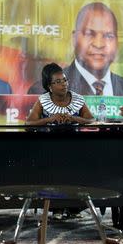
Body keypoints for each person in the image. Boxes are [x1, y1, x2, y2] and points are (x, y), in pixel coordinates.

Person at [28, 2, 123, 98]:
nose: (99, 44)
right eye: (89, 34)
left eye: (108, 36)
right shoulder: (44, 91)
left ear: (117, 42)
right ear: (74, 38)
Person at [26, 63, 93, 219]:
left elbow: (92, 120)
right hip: (49, 148)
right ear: (49, 86)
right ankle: (56, 207)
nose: (64, 84)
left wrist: (74, 118)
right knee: (53, 164)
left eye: (65, 80)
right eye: (58, 81)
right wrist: (50, 119)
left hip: (75, 147)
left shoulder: (77, 99)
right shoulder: (42, 101)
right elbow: (28, 124)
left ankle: (74, 206)